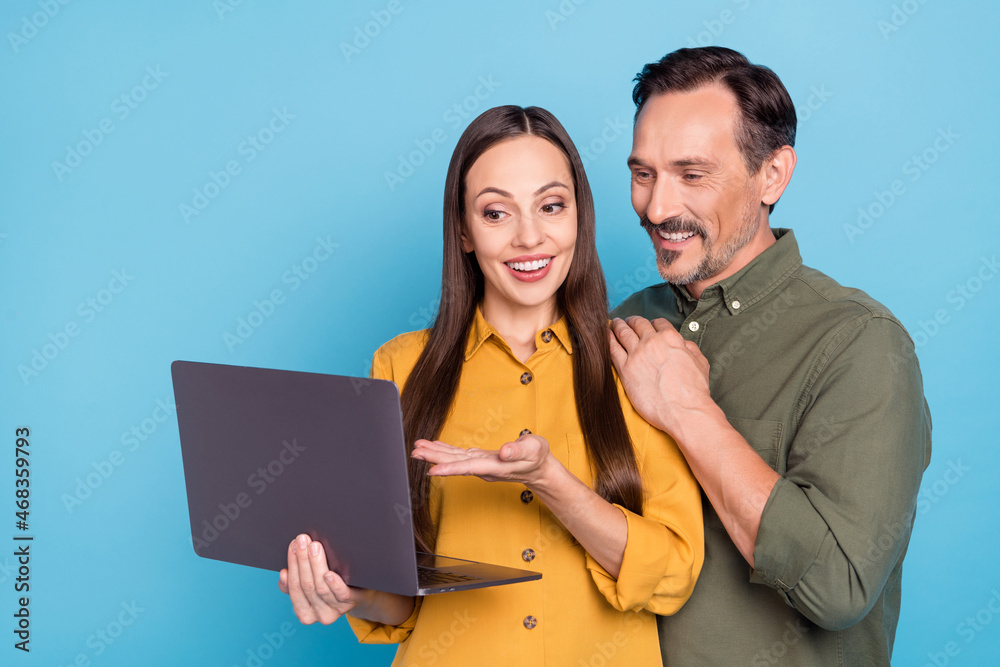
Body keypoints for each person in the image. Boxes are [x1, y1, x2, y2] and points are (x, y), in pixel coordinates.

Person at [278, 105, 704, 665]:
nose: (530, 237)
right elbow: (403, 597)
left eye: (551, 206)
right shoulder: (399, 368)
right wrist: (350, 593)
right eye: (497, 213)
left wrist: (553, 482)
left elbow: (673, 576)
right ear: (464, 230)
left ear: (580, 216)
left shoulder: (637, 361)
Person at [608, 46, 931, 665]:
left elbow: (839, 585)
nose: (655, 207)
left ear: (773, 176)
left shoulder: (861, 343)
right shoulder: (624, 322)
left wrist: (687, 412)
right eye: (643, 173)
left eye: (691, 174)